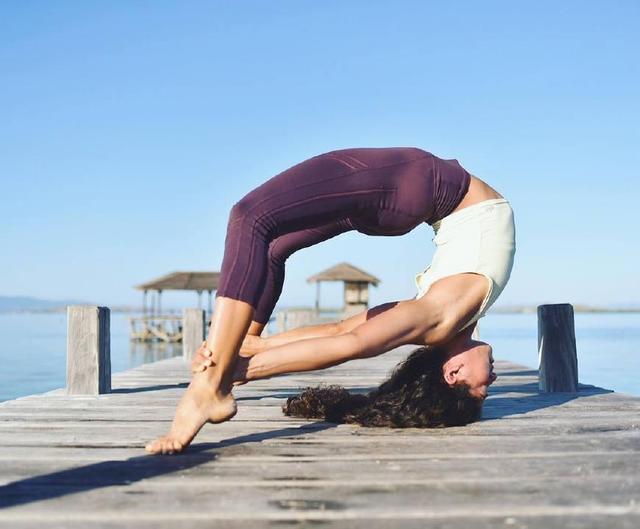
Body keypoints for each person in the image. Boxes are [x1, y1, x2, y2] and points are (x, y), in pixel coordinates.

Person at [145, 147, 515, 454]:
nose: (494, 378)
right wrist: (252, 352)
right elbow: (337, 329)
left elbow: (348, 343)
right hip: (407, 199)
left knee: (251, 219)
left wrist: (234, 368)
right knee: (268, 241)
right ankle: (235, 349)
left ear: (453, 374)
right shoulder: (448, 318)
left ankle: (211, 384)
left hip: (415, 184)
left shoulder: (437, 317)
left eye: (484, 387)